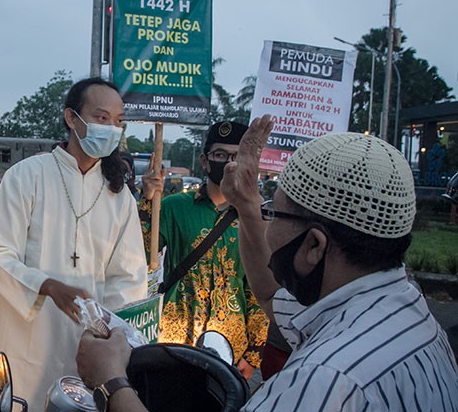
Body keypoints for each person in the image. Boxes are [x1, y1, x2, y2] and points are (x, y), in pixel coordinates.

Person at [77, 116, 458, 411]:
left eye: (273, 214)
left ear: (314, 245)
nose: (266, 228)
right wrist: (247, 203)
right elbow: (269, 294)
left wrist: (111, 382)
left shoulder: (322, 380)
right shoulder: (406, 311)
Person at [0, 77, 148, 409]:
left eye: (118, 122)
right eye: (101, 118)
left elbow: (128, 277)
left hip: (90, 346)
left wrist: (109, 332)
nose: (111, 129)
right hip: (26, 336)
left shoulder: (119, 195)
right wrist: (46, 286)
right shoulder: (27, 176)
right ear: (72, 118)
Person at [139, 121, 268, 380]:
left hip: (230, 346)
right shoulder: (174, 207)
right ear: (205, 160)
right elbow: (140, 256)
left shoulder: (254, 217)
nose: (228, 164)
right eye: (220, 154)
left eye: (236, 156)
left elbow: (258, 288)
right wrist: (147, 202)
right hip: (174, 337)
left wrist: (254, 352)